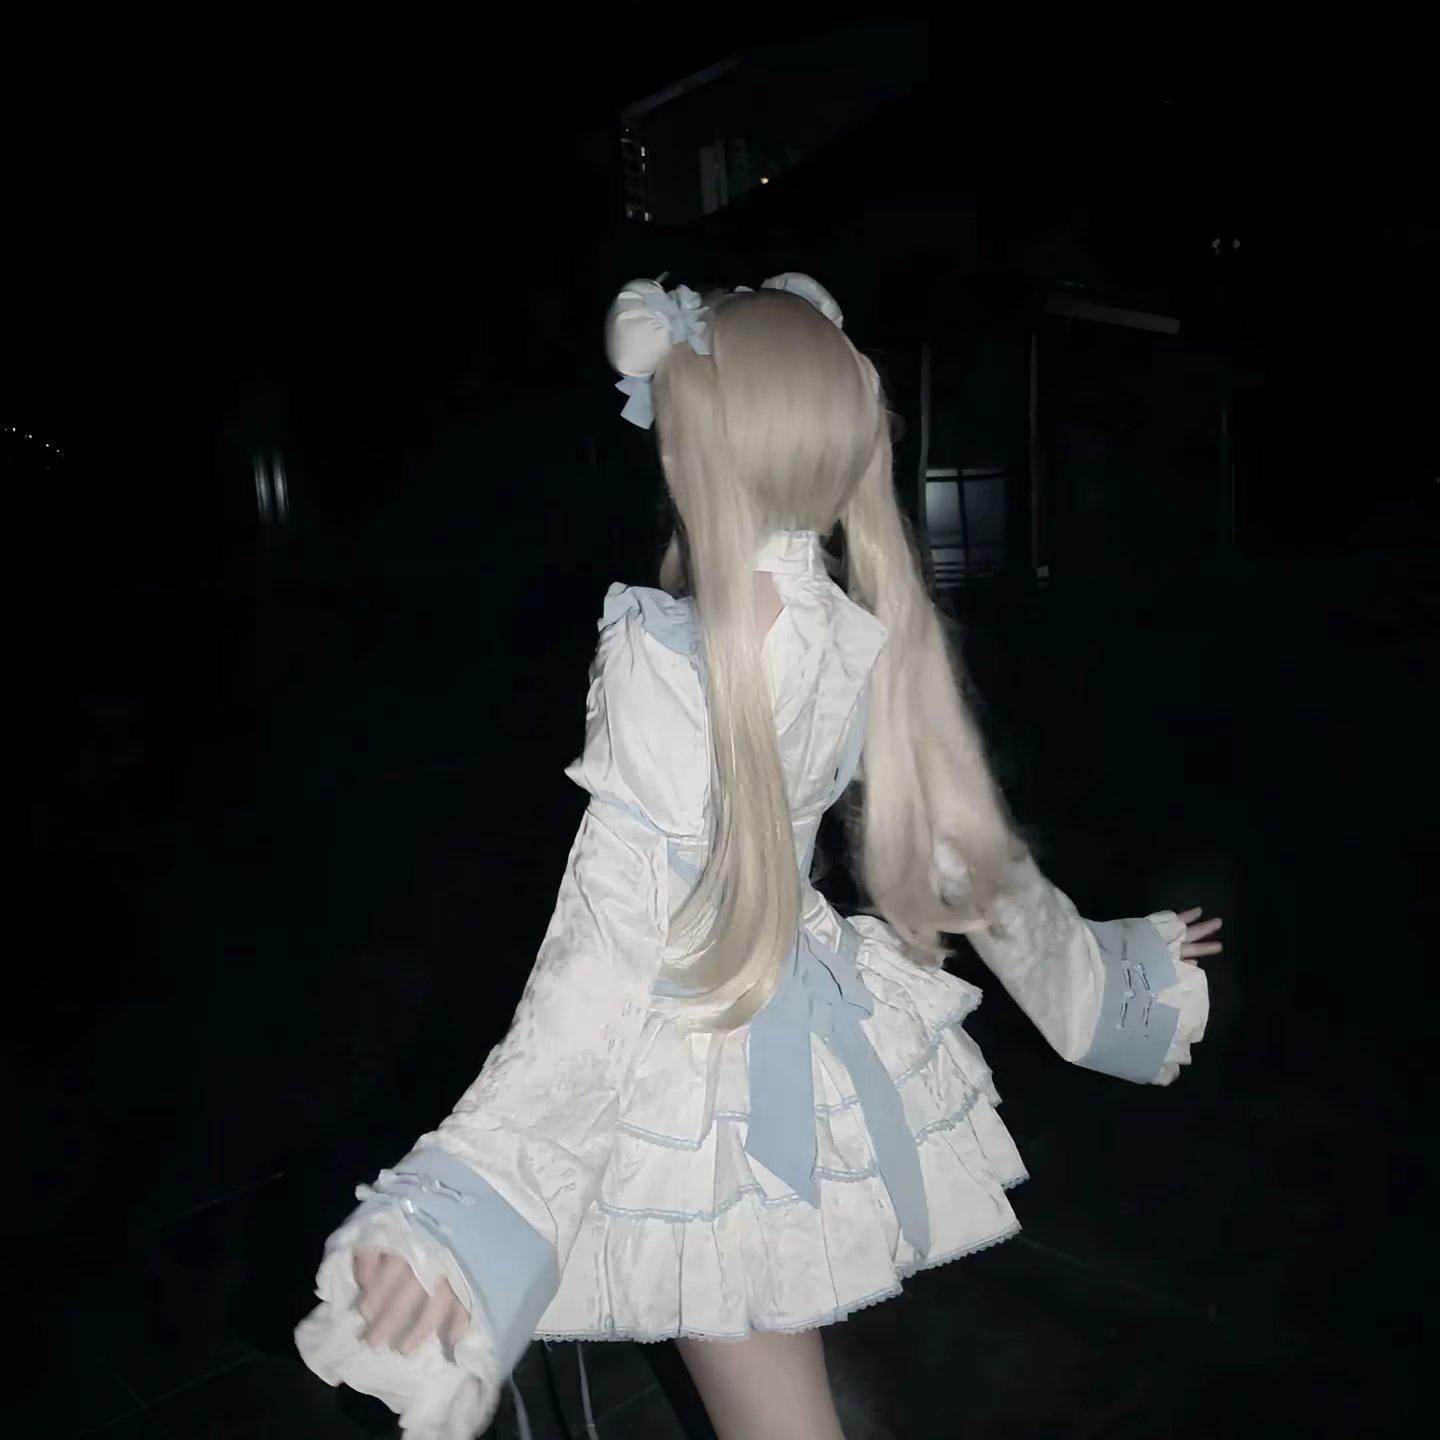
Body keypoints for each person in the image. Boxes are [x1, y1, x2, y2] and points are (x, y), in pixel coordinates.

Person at [295, 274, 1222, 1440]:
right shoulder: (848, 630)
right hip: (808, 1038)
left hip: (693, 1087)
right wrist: (1108, 984)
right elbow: (960, 854)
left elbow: (603, 956)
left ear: (689, 455)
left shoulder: (669, 660)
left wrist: (461, 1208)